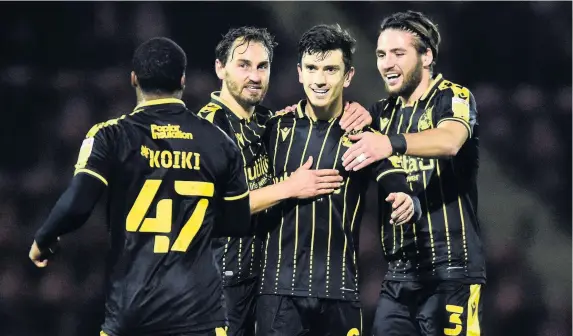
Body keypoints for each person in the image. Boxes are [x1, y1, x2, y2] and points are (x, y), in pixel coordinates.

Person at [29, 37, 252, 336]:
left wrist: (44, 239)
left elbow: (78, 204)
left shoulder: (111, 136)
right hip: (200, 315)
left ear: (133, 79)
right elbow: (237, 222)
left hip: (132, 313)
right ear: (182, 80)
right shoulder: (221, 143)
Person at [197, 26, 373, 336]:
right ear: (219, 68)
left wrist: (357, 111)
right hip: (219, 281)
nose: (254, 75)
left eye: (262, 66)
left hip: (258, 280)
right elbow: (213, 210)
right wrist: (290, 187)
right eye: (243, 65)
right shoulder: (210, 125)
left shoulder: (267, 122)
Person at [256, 24, 421, 336]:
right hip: (278, 294)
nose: (320, 79)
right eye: (312, 68)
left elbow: (395, 179)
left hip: (340, 293)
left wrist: (405, 199)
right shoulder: (273, 130)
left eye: (331, 69)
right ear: (299, 73)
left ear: (348, 76)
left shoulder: (363, 135)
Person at [341, 10, 486, 336]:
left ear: (427, 56)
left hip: (451, 269)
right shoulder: (379, 113)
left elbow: (450, 140)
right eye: (381, 54)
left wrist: (389, 144)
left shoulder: (454, 97)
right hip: (398, 273)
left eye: (398, 53)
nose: (387, 63)